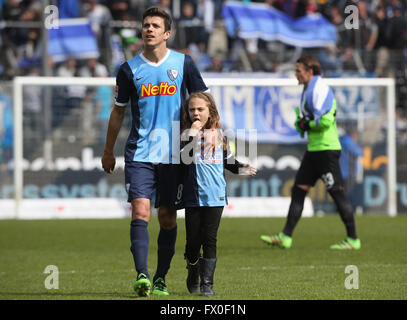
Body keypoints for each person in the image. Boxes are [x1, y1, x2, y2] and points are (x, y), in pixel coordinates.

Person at [101, 7, 208, 297]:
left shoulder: (183, 64)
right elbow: (118, 113)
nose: (149, 29)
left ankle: (161, 277)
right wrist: (108, 149)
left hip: (175, 155)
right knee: (140, 210)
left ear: (167, 33)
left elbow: (203, 102)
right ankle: (143, 275)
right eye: (145, 25)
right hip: (140, 153)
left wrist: (201, 128)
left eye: (155, 25)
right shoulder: (129, 69)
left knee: (168, 219)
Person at [260, 56, 361, 250]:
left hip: (326, 150)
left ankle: (353, 239)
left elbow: (325, 120)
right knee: (298, 190)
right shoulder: (309, 89)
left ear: (310, 72)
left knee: (336, 192)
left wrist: (306, 123)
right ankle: (286, 236)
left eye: (298, 70)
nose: (295, 74)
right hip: (315, 150)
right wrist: (303, 123)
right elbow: (312, 119)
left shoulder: (319, 89)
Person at [180, 92, 257, 296]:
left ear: (210, 111)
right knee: (193, 242)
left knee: (210, 238)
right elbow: (184, 159)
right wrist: (193, 133)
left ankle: (207, 284)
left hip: (216, 195)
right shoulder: (185, 134)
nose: (196, 113)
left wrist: (242, 168)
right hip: (194, 196)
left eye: (200, 109)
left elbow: (228, 162)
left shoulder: (220, 136)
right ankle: (193, 268)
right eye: (192, 110)